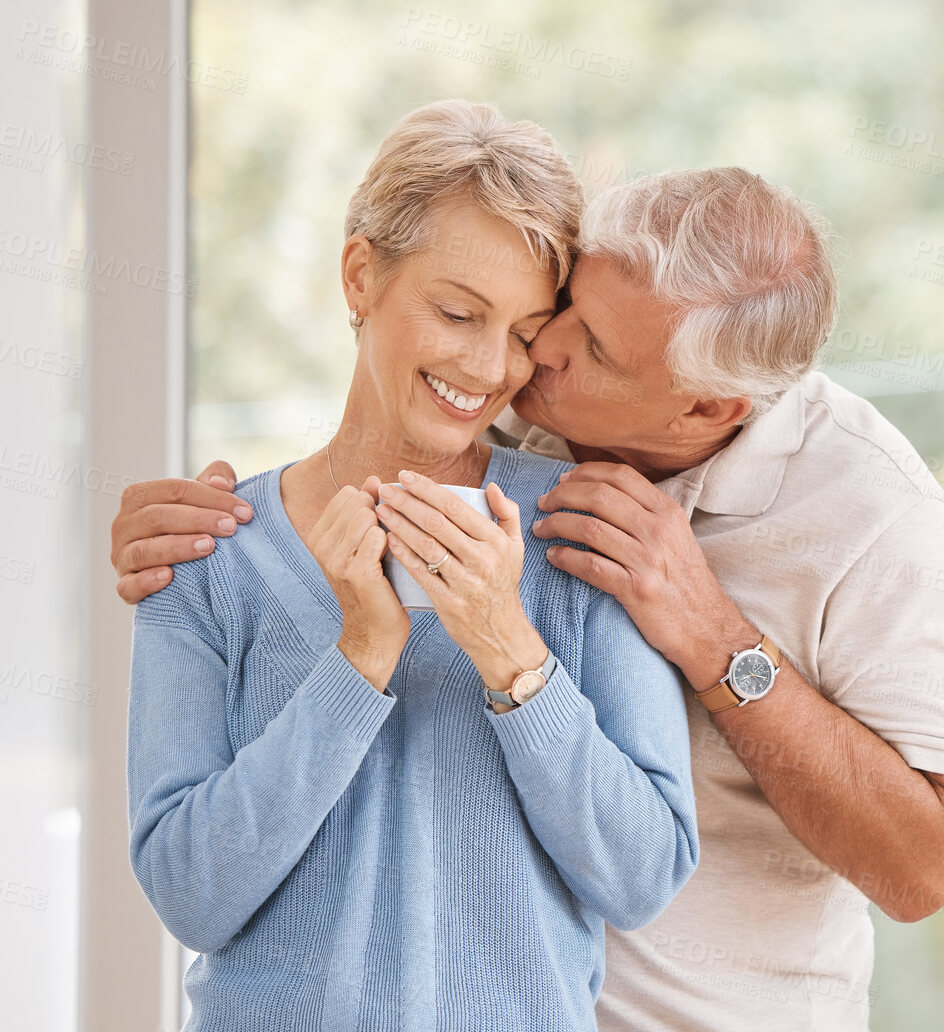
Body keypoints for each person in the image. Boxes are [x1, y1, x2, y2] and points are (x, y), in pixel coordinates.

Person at [114, 166, 944, 1031]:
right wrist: (202, 532)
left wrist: (714, 638)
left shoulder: (873, 509)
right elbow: (400, 384)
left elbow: (921, 870)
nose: (533, 355)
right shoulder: (521, 411)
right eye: (561, 307)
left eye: (590, 346)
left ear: (706, 408)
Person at [124, 100, 698, 1031]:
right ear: (361, 276)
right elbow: (191, 895)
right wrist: (357, 662)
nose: (487, 366)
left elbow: (642, 878)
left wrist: (511, 651)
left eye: (523, 331)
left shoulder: (580, 534)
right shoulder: (209, 562)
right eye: (457, 311)